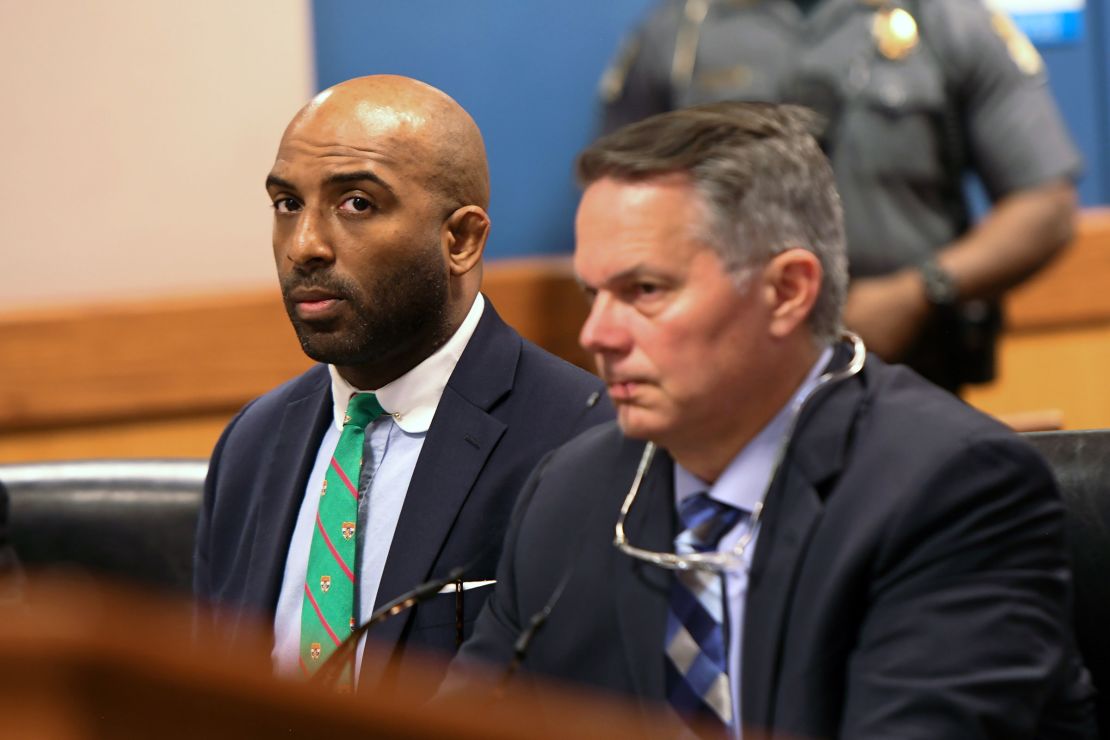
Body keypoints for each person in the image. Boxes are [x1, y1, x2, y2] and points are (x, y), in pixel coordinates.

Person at [452, 102, 1095, 737]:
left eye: (645, 291)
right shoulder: (569, 493)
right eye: (594, 295)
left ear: (787, 291)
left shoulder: (955, 490)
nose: (598, 334)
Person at [193, 75, 612, 695]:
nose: (303, 246)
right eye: (287, 204)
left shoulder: (584, 441)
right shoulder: (251, 444)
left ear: (461, 240)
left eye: (356, 203)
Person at [598, 0, 1081, 392]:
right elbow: (617, 207)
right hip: (727, 375)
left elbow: (1047, 205)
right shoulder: (682, 35)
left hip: (911, 366)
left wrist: (919, 292)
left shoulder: (945, 20)